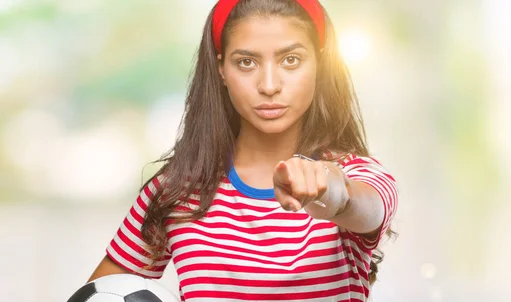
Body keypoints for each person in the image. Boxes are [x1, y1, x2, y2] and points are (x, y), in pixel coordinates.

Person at [87, 0, 398, 300]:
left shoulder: (360, 174)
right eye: (246, 62)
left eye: (290, 60)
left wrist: (330, 189)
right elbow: (100, 294)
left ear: (319, 63)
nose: (269, 85)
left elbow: (366, 208)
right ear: (222, 70)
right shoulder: (175, 190)